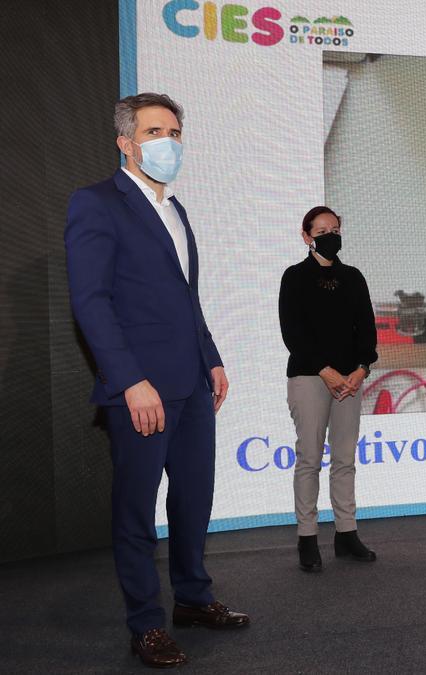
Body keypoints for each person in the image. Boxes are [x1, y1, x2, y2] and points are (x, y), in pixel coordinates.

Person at [65, 93, 248, 669]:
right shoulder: (96, 204)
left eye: (173, 130)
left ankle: (193, 600)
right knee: (137, 512)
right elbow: (91, 304)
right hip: (141, 390)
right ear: (126, 142)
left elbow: (184, 299)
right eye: (153, 131)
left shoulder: (177, 210)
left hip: (193, 385)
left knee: (194, 503)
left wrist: (212, 357)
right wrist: (128, 382)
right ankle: (145, 623)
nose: (168, 141)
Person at [279, 206, 379, 571]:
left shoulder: (353, 277)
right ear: (307, 237)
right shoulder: (294, 277)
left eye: (334, 228)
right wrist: (325, 370)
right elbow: (293, 332)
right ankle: (307, 537)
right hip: (309, 377)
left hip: (351, 380)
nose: (329, 235)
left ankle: (346, 533)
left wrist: (362, 368)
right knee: (309, 458)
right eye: (321, 230)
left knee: (345, 459)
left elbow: (366, 330)